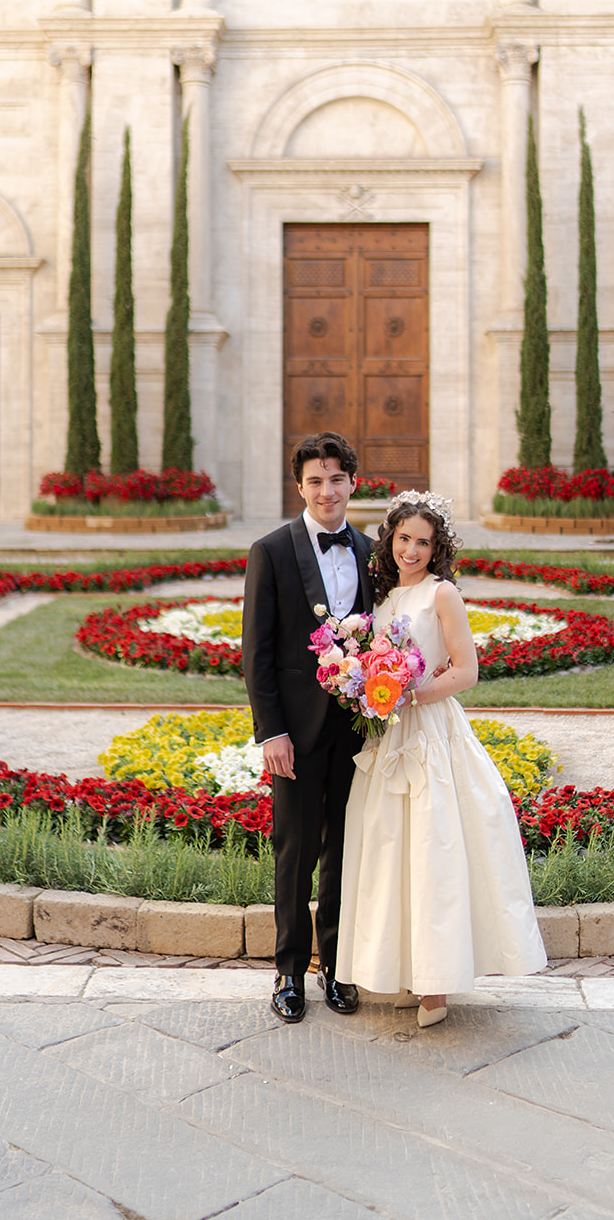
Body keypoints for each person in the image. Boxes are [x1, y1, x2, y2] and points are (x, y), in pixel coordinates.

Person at [335, 490, 548, 1027]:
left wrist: (408, 692)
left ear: (437, 549)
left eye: (423, 542)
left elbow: (465, 671)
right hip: (386, 736)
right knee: (392, 850)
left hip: (429, 731)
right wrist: (363, 686)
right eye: (404, 539)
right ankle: (408, 966)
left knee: (434, 852)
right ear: (390, 541)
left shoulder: (442, 595)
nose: (412, 550)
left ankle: (438, 986)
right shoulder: (379, 602)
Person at [241, 431, 374, 1023]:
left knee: (345, 851)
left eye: (336, 479)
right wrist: (271, 732)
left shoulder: (373, 553)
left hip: (356, 732)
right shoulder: (270, 551)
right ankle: (290, 972)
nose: (326, 491)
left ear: (353, 483)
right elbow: (257, 653)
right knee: (294, 851)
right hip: (293, 733)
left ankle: (337, 967)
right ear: (300, 486)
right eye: (315, 481)